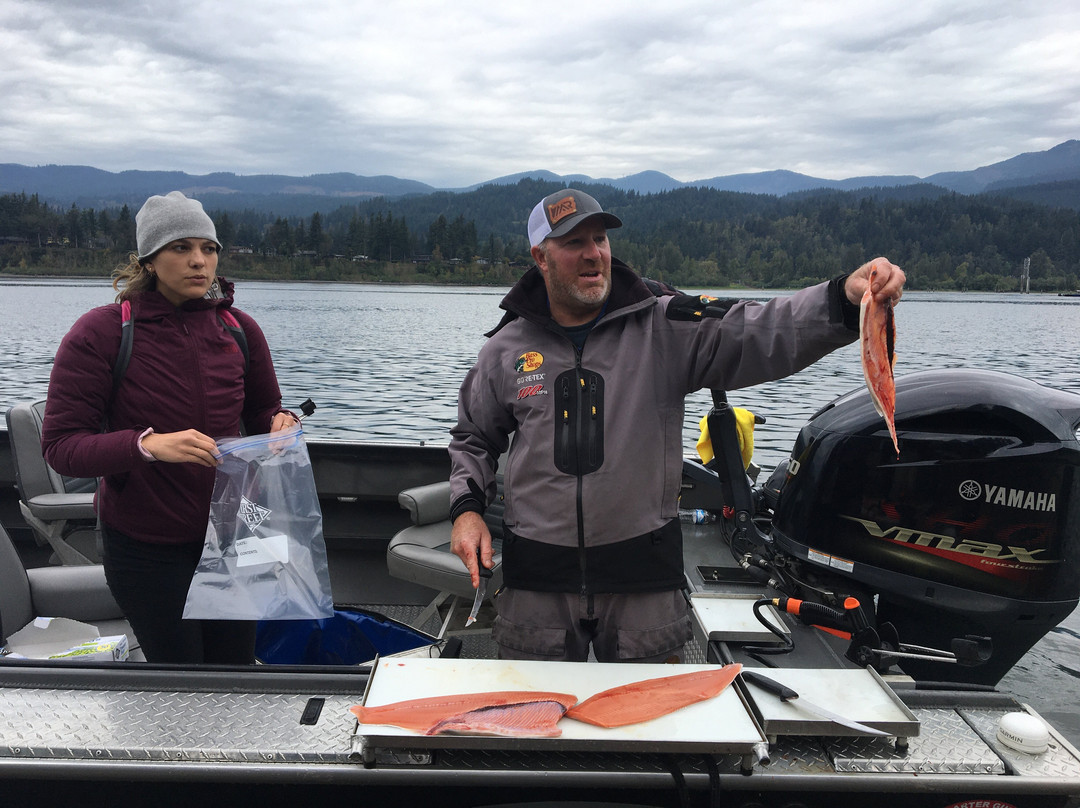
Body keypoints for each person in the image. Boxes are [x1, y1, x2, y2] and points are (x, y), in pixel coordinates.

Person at [449, 188, 905, 663]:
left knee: (652, 709)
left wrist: (841, 299)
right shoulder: (505, 349)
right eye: (573, 242)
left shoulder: (665, 327)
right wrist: (467, 509)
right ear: (541, 258)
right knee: (536, 704)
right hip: (536, 581)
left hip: (643, 577)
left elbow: (759, 330)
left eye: (600, 238)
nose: (593, 253)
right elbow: (473, 438)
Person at [41, 191, 298, 664]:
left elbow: (266, 410)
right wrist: (148, 445)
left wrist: (283, 425)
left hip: (232, 538)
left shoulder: (239, 330)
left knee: (236, 673)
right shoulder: (103, 332)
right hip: (147, 548)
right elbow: (62, 447)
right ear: (149, 261)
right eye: (181, 247)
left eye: (209, 248)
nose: (199, 261)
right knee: (181, 678)